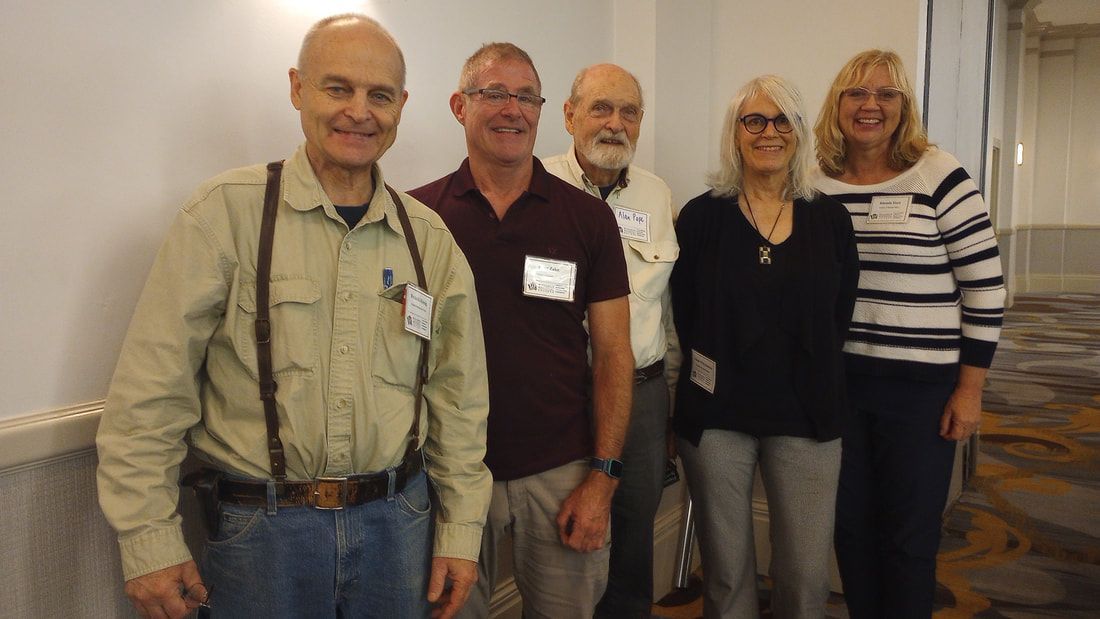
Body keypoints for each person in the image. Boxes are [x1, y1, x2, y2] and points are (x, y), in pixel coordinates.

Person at [95, 14, 491, 619]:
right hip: (261, 535)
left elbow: (459, 401)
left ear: (402, 106)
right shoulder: (224, 215)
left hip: (400, 526)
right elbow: (152, 390)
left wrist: (461, 531)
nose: (359, 111)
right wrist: (147, 537)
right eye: (338, 88)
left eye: (379, 95)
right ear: (297, 89)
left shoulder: (429, 241)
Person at [409, 43, 634, 619]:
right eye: (494, 94)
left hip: (561, 468)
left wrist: (603, 476)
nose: (512, 109)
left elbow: (612, 354)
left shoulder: (587, 218)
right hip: (447, 473)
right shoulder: (419, 219)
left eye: (525, 96)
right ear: (460, 106)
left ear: (543, 110)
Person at [812, 49, 1005, 619]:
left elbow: (986, 290)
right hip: (840, 386)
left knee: (908, 534)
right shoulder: (816, 181)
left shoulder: (939, 175)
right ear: (838, 105)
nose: (870, 105)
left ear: (903, 107)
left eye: (886, 94)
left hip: (921, 391)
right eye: (857, 93)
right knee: (849, 527)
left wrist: (970, 391)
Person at [670, 75, 859, 618]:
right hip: (717, 417)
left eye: (782, 121)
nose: (768, 132)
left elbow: (838, 312)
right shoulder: (701, 217)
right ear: (736, 133)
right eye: (754, 120)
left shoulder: (830, 218)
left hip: (809, 414)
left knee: (804, 576)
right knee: (726, 576)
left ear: (800, 132)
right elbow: (682, 312)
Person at [542, 63, 679, 619]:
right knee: (559, 536)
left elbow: (667, 307)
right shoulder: (535, 185)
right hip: (561, 394)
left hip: (642, 397)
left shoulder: (656, 193)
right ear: (569, 114)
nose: (615, 123)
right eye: (600, 108)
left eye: (629, 112)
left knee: (632, 535)